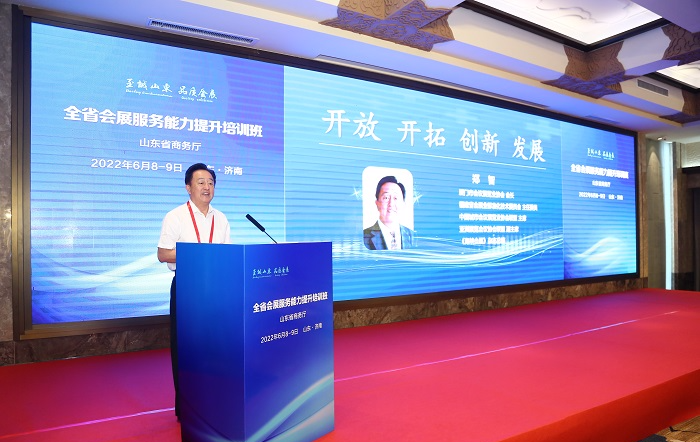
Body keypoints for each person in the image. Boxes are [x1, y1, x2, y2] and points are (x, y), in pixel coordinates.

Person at [157, 163, 231, 419]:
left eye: (211, 182)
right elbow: (163, 254)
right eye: (201, 182)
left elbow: (226, 254)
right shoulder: (175, 216)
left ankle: (214, 401)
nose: (207, 187)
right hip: (187, 287)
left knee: (215, 346)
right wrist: (195, 254)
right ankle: (187, 409)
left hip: (216, 287)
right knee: (186, 348)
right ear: (188, 187)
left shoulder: (221, 218)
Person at [363, 175, 416, 250]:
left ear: (403, 204)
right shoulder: (364, 236)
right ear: (377, 203)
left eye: (395, 198)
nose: (391, 204)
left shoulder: (413, 236)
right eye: (386, 198)